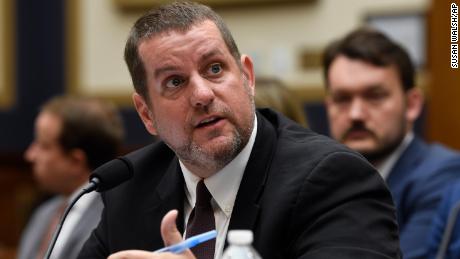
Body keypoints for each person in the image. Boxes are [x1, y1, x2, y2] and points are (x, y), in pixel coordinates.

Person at [78, 2, 400, 259]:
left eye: (215, 69)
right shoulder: (128, 189)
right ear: (147, 114)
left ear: (247, 77)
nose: (203, 95)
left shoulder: (333, 180)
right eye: (175, 82)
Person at [323, 27, 460, 259]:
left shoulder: (440, 172)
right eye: (342, 99)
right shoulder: (323, 177)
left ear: (413, 105)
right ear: (328, 107)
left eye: (375, 96)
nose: (356, 114)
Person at [17, 96, 124, 259]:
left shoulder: (113, 218)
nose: (30, 155)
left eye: (43, 146)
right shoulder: (44, 213)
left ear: (75, 161)